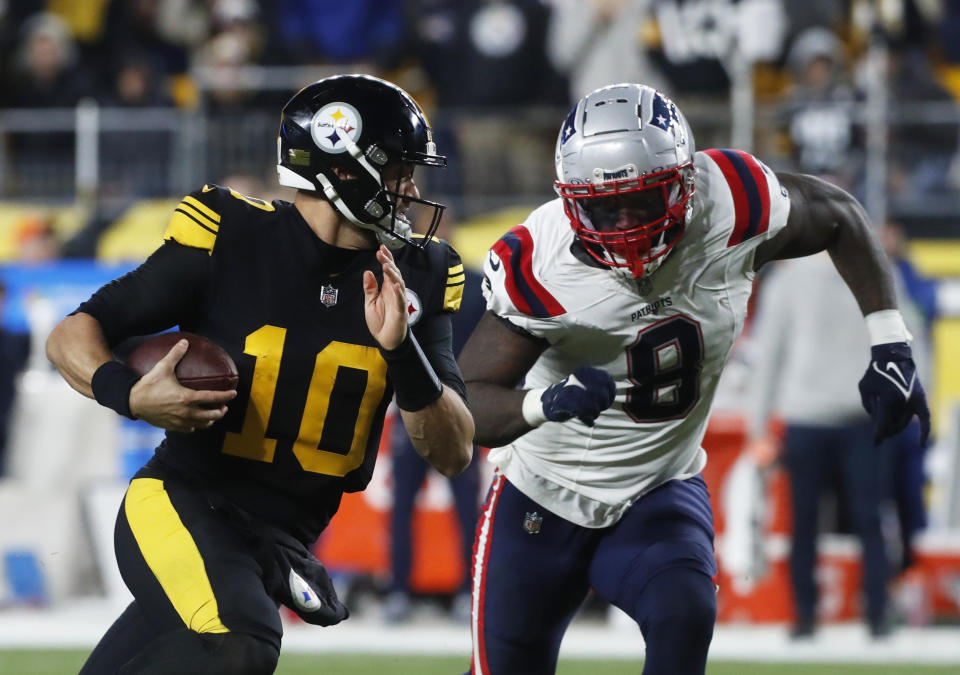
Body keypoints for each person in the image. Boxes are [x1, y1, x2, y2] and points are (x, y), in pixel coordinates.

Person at [458, 83, 931, 675]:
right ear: (572, 202)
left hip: (656, 487)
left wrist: (890, 340)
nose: (626, 227)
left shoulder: (732, 202)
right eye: (606, 208)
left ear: (685, 183)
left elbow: (839, 214)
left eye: (644, 202)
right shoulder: (542, 263)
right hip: (542, 496)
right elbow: (470, 401)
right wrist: (543, 404)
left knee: (684, 612)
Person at [45, 74, 474, 675]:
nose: (411, 188)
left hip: (280, 538)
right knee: (243, 639)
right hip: (183, 500)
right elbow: (73, 332)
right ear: (342, 170)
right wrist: (130, 394)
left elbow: (453, 451)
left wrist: (404, 351)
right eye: (399, 169)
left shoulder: (424, 273)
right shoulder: (231, 233)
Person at [743, 250, 929, 639]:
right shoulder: (877, 268)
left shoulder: (788, 279)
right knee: (871, 520)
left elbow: (767, 358)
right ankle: (877, 618)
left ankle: (805, 620)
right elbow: (909, 339)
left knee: (804, 524)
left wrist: (758, 427)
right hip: (864, 416)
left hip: (805, 416)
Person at [385, 256, 486, 624]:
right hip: (419, 403)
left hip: (451, 406)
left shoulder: (470, 283)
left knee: (462, 506)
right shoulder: (418, 277)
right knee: (406, 505)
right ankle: (400, 590)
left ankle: (463, 591)